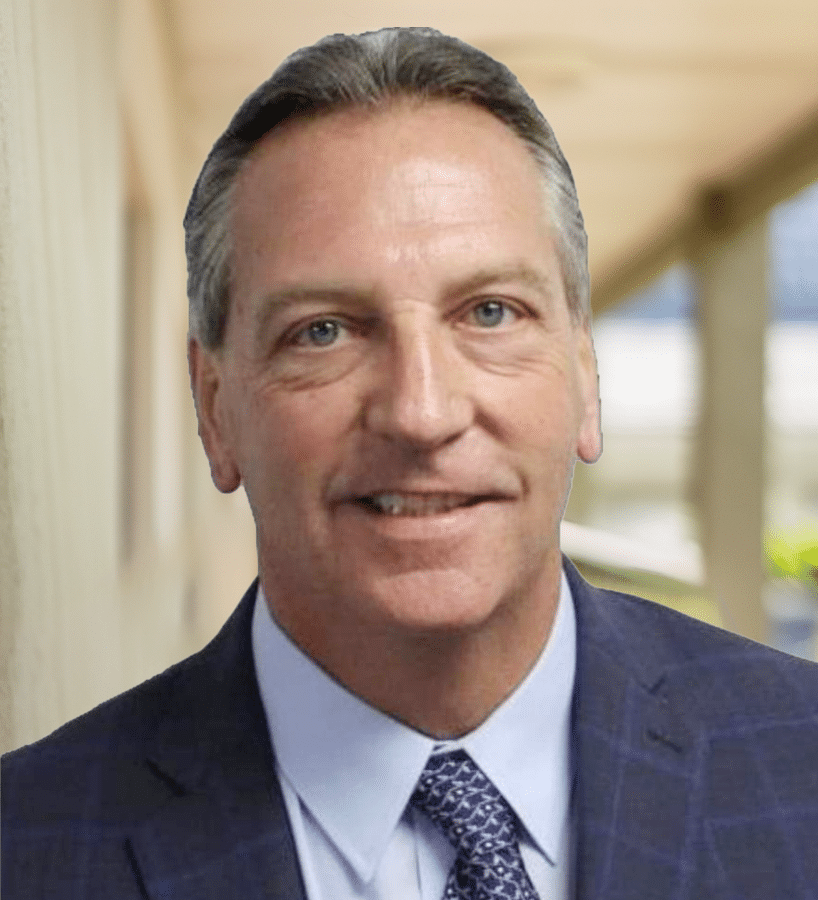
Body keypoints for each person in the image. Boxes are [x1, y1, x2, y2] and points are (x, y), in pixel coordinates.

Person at [3, 27, 818, 900]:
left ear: (585, 375)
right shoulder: (27, 847)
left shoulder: (798, 764)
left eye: (491, 313)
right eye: (323, 331)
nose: (422, 413)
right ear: (215, 410)